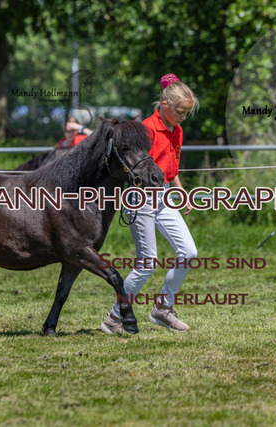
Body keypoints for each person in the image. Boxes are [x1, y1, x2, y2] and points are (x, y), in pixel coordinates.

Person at [101, 73, 199, 334]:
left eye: (187, 113)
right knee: (147, 263)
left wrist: (180, 192)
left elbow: (171, 168)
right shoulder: (145, 130)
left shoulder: (177, 130)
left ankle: (162, 309)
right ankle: (114, 318)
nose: (183, 117)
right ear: (164, 105)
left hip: (163, 196)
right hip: (140, 196)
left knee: (188, 253)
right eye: (180, 112)